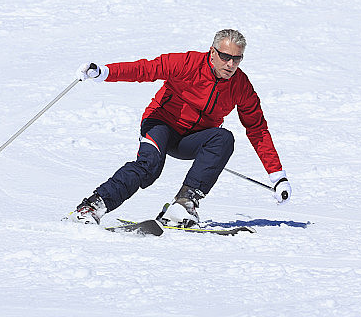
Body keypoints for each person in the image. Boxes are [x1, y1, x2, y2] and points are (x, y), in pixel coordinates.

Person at [69, 29, 291, 227]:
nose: (230, 64)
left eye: (237, 59)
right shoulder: (187, 64)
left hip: (192, 140)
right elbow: (145, 69)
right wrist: (104, 72)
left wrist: (277, 176)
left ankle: (183, 205)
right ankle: (90, 208)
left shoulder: (241, 86)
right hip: (160, 125)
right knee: (149, 166)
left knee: (223, 138)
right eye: (225, 57)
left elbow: (257, 128)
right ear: (212, 52)